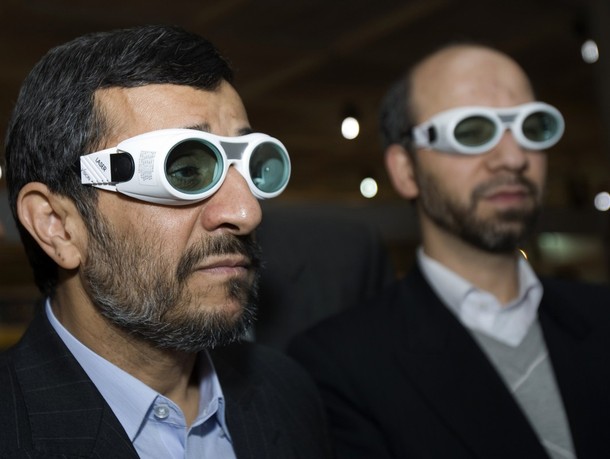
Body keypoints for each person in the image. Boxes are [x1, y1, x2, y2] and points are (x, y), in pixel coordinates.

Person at [0, 25, 331, 458]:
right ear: (57, 226)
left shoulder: (287, 393)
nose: (247, 212)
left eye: (251, 167)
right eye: (186, 171)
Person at [288, 43, 610, 459]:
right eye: (471, 131)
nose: (514, 157)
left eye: (531, 127)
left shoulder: (601, 316)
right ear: (406, 170)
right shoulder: (339, 366)